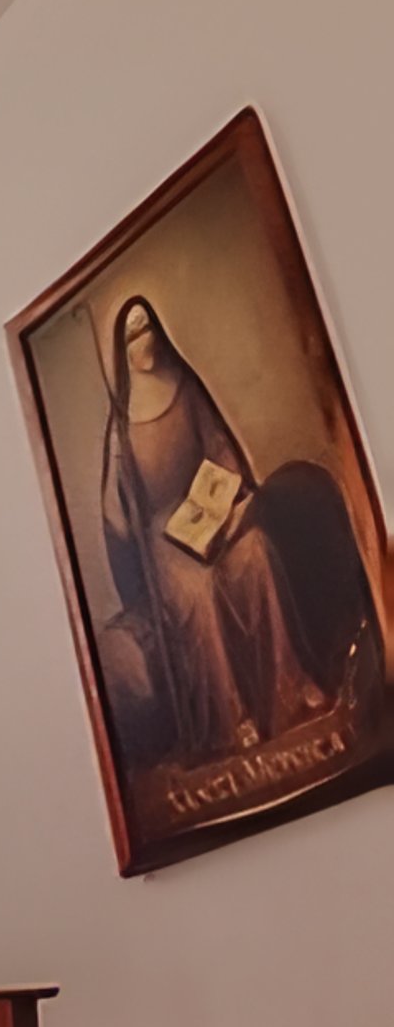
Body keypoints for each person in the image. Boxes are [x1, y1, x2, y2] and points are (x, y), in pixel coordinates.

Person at [96, 295, 328, 761]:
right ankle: (230, 721)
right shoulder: (119, 427)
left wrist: (230, 502)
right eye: (133, 334)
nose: (144, 342)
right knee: (196, 593)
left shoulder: (185, 386)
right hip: (165, 539)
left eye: (148, 329)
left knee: (258, 552)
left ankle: (288, 689)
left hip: (210, 511)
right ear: (120, 350)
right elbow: (121, 512)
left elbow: (220, 450)